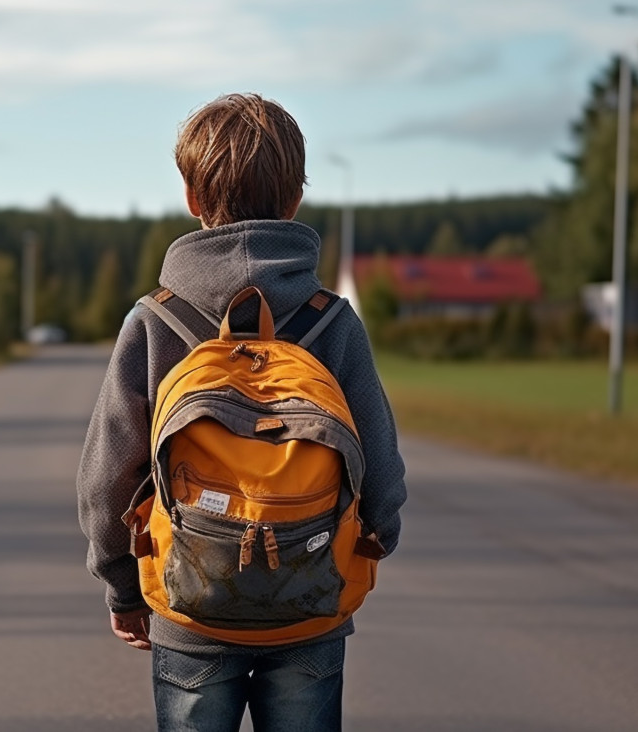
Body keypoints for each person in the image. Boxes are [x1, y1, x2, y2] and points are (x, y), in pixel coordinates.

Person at [77, 93, 408, 732]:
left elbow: (107, 477)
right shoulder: (332, 322)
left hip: (188, 601)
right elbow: (381, 464)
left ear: (192, 198)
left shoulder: (155, 321)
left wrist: (122, 584)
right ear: (295, 199)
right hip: (310, 598)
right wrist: (367, 545)